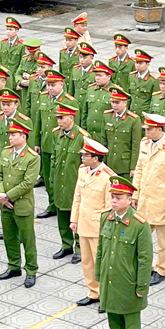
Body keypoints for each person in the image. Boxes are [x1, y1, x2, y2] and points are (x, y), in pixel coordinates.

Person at [96, 175, 152, 329]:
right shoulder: (106, 218)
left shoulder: (139, 224)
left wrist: (141, 286)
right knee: (114, 320)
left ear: (130, 199)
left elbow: (145, 259)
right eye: (112, 196)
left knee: (131, 323)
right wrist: (98, 275)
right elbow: (101, 249)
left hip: (128, 283)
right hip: (110, 280)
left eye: (118, 197)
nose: (113, 201)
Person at [0, 120, 39, 287]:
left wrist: (8, 196)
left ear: (23, 136)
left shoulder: (32, 158)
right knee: (9, 236)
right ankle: (13, 266)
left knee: (27, 238)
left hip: (21, 205)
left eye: (13, 135)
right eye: (10, 135)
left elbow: (28, 183)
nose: (10, 138)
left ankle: (31, 270)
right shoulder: (5, 152)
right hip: (5, 203)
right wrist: (1, 194)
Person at [133, 114, 165, 286]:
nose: (147, 132)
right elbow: (139, 169)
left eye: (150, 129)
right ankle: (147, 266)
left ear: (159, 129)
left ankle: (161, 269)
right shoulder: (145, 144)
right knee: (142, 236)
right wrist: (135, 194)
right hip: (145, 198)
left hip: (160, 200)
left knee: (163, 241)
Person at [71, 138, 114, 306]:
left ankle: (106, 295)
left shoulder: (108, 177)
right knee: (87, 261)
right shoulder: (83, 171)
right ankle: (93, 292)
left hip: (98, 227)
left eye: (85, 155)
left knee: (101, 263)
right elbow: (78, 196)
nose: (82, 158)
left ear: (95, 158)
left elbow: (109, 206)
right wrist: (74, 219)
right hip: (83, 224)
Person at [36, 71, 76, 219]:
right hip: (46, 143)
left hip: (62, 144)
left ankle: (66, 204)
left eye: (53, 85)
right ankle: (52, 203)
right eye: (48, 85)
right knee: (48, 177)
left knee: (62, 177)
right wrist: (36, 142)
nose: (50, 88)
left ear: (62, 84)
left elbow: (74, 125)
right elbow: (38, 120)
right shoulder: (43, 98)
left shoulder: (69, 101)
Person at [51, 102, 87, 262]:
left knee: (77, 215)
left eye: (61, 118)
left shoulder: (81, 137)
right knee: (62, 214)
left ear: (71, 117)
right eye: (57, 118)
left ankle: (80, 247)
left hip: (74, 184)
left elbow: (86, 163)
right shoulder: (56, 134)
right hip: (60, 182)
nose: (59, 121)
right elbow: (53, 158)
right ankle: (66, 245)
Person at [101, 86, 142, 177]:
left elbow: (135, 145)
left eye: (117, 102)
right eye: (112, 102)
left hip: (125, 166)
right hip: (110, 163)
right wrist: (102, 162)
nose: (114, 105)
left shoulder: (133, 120)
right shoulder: (107, 116)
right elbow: (103, 141)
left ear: (125, 103)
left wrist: (133, 167)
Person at [83, 62, 115, 137]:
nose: (97, 78)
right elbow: (85, 111)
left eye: (100, 75)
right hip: (90, 133)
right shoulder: (90, 89)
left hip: (104, 133)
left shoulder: (114, 91)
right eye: (96, 75)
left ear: (109, 77)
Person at [128, 50, 160, 115]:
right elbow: (128, 96)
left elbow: (155, 101)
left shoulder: (153, 80)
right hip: (132, 113)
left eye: (140, 63)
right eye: (136, 63)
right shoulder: (131, 76)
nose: (137, 65)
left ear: (147, 64)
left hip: (144, 114)